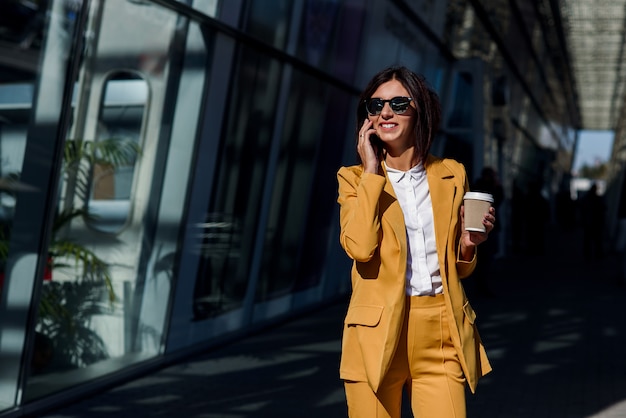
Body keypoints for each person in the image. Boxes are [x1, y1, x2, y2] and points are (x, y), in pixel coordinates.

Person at [336, 66, 494, 418]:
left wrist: (469, 244)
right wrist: (372, 174)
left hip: (441, 329)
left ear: (419, 108)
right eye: (375, 106)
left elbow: (459, 267)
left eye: (398, 103)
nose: (386, 112)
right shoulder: (354, 179)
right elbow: (360, 248)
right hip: (375, 334)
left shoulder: (452, 174)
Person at [471, 166, 504, 296]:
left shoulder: (476, 186)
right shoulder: (488, 188)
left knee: (483, 258)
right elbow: (498, 200)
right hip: (484, 226)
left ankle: (480, 285)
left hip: (478, 225)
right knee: (485, 259)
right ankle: (481, 286)